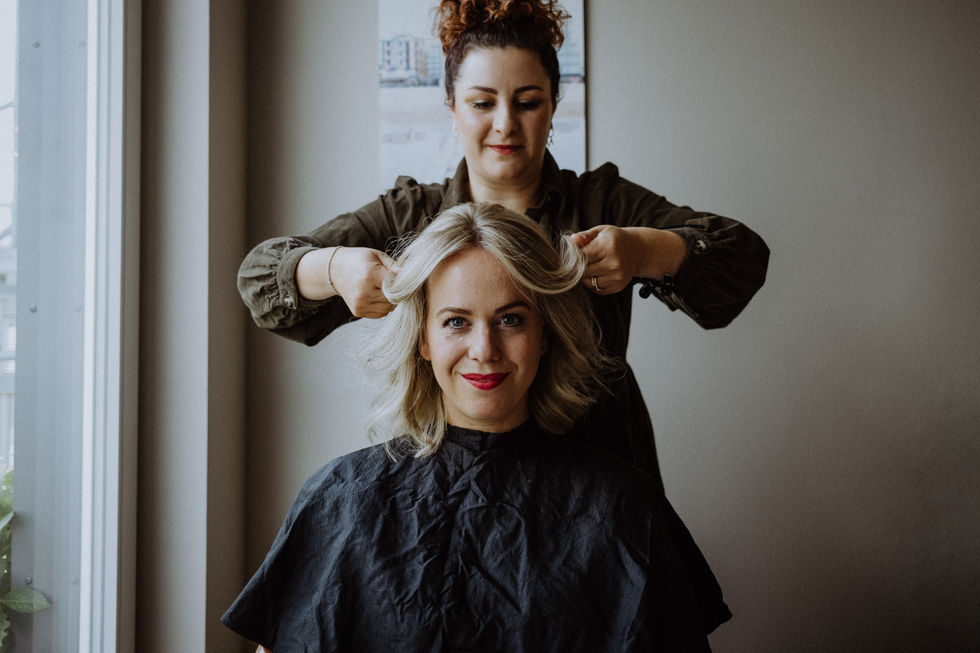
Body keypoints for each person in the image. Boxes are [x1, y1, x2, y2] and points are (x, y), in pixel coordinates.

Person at [238, 0, 769, 632]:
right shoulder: (412, 217)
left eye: (528, 101)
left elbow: (742, 257)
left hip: (592, 487)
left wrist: (648, 250)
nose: (505, 125)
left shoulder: (603, 204)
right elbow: (261, 277)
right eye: (482, 102)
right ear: (452, 107)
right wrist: (332, 268)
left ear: (554, 103)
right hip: (452, 480)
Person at [223, 203, 711, 652]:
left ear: (544, 335)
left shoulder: (624, 506)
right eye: (456, 322)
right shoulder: (340, 497)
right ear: (423, 339)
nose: (484, 349)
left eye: (511, 319)